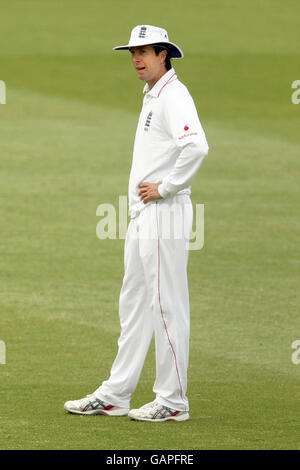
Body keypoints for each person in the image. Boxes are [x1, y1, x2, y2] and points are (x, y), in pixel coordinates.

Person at [64, 25, 209, 422]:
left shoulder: (173, 96)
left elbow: (196, 145)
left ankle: (173, 401)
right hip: (144, 215)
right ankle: (116, 393)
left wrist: (167, 186)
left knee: (166, 306)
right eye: (132, 52)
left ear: (164, 54)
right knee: (134, 306)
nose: (136, 59)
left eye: (144, 52)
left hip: (164, 213)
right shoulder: (153, 95)